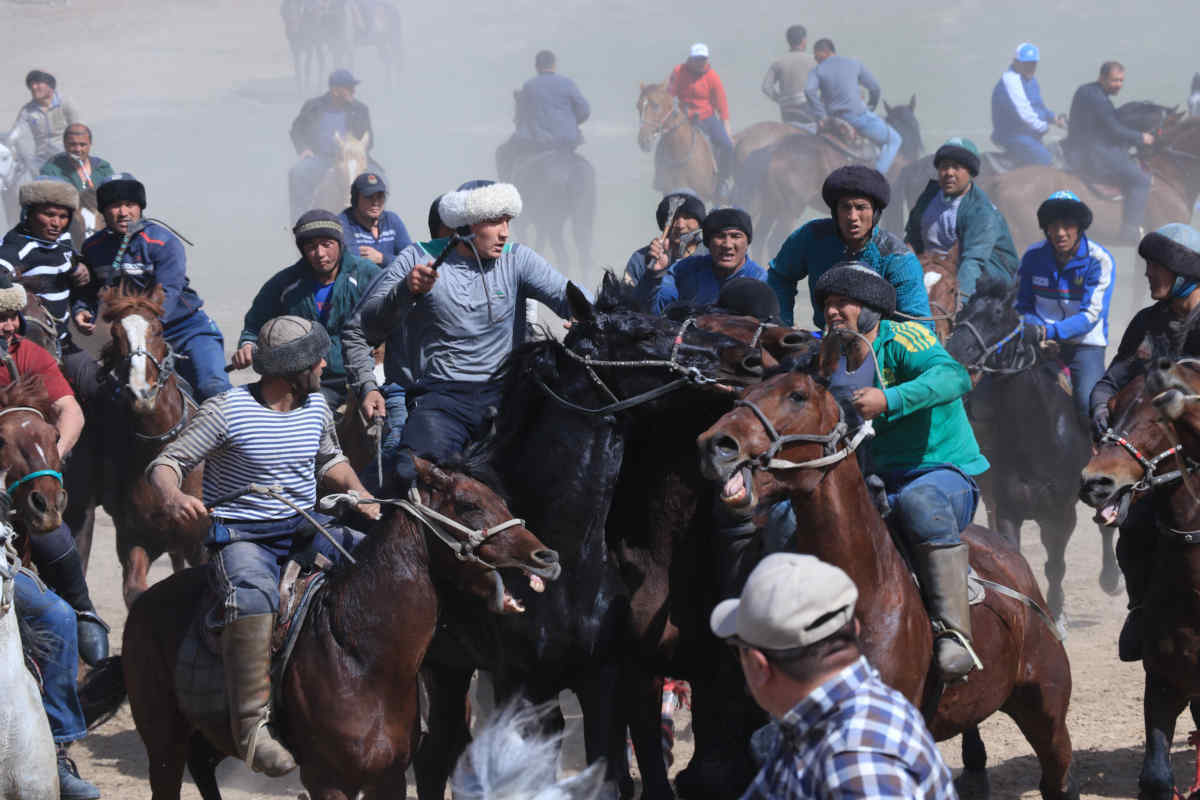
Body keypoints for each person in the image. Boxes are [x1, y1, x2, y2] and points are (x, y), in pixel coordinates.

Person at [148, 316, 380, 776]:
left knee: (377, 562)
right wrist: (173, 496)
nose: (323, 365)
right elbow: (167, 462)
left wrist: (361, 494)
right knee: (253, 597)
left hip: (305, 527)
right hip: (243, 536)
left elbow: (328, 459)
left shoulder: (317, 406)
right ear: (293, 369)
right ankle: (253, 728)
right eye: (316, 360)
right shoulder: (226, 410)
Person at [342, 180, 580, 490]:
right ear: (465, 225)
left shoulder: (518, 258)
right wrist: (406, 291)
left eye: (508, 221)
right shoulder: (416, 259)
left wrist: (589, 316)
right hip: (439, 399)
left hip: (505, 397)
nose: (505, 232)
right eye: (494, 221)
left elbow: (572, 297)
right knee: (406, 473)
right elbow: (363, 328)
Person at [816, 264, 988, 681]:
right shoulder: (827, 354)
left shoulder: (905, 338)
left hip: (941, 472)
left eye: (843, 302)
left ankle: (955, 634)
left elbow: (954, 376)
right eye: (828, 304)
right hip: (870, 477)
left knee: (919, 503)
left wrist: (889, 399)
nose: (833, 311)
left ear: (871, 309)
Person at [711, 553, 955, 799]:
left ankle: (954, 629)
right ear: (855, 628)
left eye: (739, 651)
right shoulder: (807, 724)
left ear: (758, 665)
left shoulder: (858, 766)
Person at [1090, 223, 1200, 661]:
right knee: (1133, 532)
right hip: (1161, 460)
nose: (1149, 274)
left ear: (1185, 271)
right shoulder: (1145, 323)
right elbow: (1110, 380)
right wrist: (1101, 410)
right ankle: (1140, 610)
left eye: (1157, 266)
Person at [76, 173, 232, 401]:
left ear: (140, 207)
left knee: (213, 388)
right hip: (131, 336)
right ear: (103, 210)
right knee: (111, 397)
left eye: (130, 204)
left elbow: (169, 291)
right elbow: (88, 290)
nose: (123, 212)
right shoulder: (93, 247)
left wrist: (147, 331)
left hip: (185, 330)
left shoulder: (162, 242)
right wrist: (81, 309)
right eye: (115, 205)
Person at [235, 211, 379, 409]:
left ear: (340, 243)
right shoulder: (285, 285)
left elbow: (395, 319)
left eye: (327, 244)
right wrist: (247, 345)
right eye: (311, 247)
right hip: (310, 382)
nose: (320, 254)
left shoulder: (367, 275)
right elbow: (254, 325)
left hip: (365, 376)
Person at [768, 165, 932, 330]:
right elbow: (780, 276)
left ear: (875, 212)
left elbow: (920, 326)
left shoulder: (898, 259)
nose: (852, 217)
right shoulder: (811, 237)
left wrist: (883, 341)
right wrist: (782, 324)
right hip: (826, 337)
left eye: (861, 207)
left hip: (879, 341)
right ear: (835, 212)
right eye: (845, 207)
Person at [1016, 191, 1114, 423]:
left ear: (1079, 227)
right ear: (1046, 229)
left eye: (1067, 225)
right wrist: (1038, 331)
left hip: (1085, 345)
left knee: (1087, 403)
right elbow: (1021, 304)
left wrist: (1049, 332)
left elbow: (1090, 316)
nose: (1060, 233)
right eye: (1053, 226)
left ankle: (1096, 442)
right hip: (1038, 341)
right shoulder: (1032, 256)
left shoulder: (1099, 260)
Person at [904, 138, 1019, 304]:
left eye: (956, 167)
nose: (949, 173)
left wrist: (959, 302)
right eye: (944, 167)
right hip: (935, 271)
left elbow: (973, 262)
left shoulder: (982, 211)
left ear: (970, 173)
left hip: (981, 280)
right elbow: (912, 240)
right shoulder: (929, 196)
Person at [1064, 61, 1154, 243]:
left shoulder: (1086, 90)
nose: (1118, 84)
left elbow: (1106, 125)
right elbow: (1114, 129)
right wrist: (1141, 137)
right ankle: (1130, 230)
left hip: (1079, 148)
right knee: (1141, 179)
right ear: (1102, 78)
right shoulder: (1100, 100)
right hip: (1093, 155)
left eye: (1121, 80)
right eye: (1115, 80)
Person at [636, 208, 764, 314]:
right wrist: (654, 275)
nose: (727, 245)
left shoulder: (759, 279)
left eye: (736, 236)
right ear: (708, 243)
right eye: (720, 236)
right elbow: (653, 313)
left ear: (747, 242)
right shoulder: (683, 270)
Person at [288, 69, 375, 221]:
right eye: (349, 88)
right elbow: (297, 130)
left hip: (351, 159)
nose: (353, 91)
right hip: (320, 158)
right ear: (335, 90)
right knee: (297, 172)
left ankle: (377, 222)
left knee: (379, 179)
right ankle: (300, 220)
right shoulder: (313, 106)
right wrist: (303, 149)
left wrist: (356, 150)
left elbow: (369, 139)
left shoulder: (360, 110)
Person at [804, 39, 900, 175]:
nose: (815, 59)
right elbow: (875, 88)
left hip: (833, 120)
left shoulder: (817, 70)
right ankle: (877, 175)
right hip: (857, 118)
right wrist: (871, 106)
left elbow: (809, 91)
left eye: (816, 55)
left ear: (824, 52)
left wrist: (821, 116)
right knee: (895, 139)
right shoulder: (854, 63)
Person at [495, 50, 591, 181]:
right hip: (567, 143)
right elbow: (585, 111)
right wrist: (571, 122)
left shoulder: (529, 86)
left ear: (537, 66)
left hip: (539, 142)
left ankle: (507, 187)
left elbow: (522, 116)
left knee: (502, 152)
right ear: (554, 65)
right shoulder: (568, 84)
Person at [667, 44, 734, 197]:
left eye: (703, 59)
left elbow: (721, 103)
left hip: (706, 117)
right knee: (665, 141)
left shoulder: (712, 77)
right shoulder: (678, 71)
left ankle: (722, 181)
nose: (700, 63)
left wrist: (726, 126)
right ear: (690, 59)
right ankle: (661, 177)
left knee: (727, 145)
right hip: (682, 117)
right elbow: (669, 94)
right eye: (697, 59)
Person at [989, 43, 1064, 168]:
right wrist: (1043, 128)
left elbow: (1038, 106)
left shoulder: (1030, 80)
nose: (1031, 68)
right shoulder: (1012, 81)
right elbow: (1025, 114)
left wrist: (1054, 118)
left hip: (1028, 133)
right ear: (1016, 62)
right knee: (1048, 162)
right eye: (1027, 64)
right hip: (1013, 135)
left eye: (1033, 64)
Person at [624, 190, 706, 287]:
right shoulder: (641, 259)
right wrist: (653, 274)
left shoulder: (711, 257)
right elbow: (629, 294)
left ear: (699, 223)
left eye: (687, 217)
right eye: (674, 218)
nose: (680, 225)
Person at [11, 70, 80, 175]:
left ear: (50, 86)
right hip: (41, 160)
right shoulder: (27, 111)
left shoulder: (65, 103)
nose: (34, 87)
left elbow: (79, 130)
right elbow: (17, 134)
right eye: (31, 85)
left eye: (38, 83)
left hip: (67, 157)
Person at [338, 172, 412, 266]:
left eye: (380, 196)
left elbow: (411, 259)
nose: (375, 202)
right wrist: (395, 261)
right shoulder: (343, 223)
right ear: (356, 199)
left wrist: (382, 258)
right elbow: (354, 263)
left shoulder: (392, 220)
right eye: (369, 197)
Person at [761, 25, 817, 124]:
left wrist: (779, 99)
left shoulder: (778, 62)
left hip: (786, 108)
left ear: (788, 41)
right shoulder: (813, 60)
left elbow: (766, 87)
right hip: (806, 106)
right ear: (804, 40)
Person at [38, 124, 115, 194]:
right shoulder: (51, 171)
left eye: (82, 145)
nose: (78, 149)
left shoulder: (103, 169)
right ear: (64, 144)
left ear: (90, 144)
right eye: (72, 144)